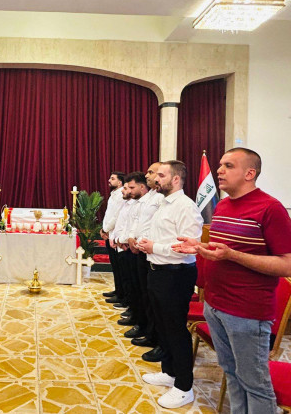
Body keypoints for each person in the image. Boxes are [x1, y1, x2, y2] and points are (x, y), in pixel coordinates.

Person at [174, 148, 291, 413]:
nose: (219, 170)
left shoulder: (270, 208)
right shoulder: (223, 205)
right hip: (215, 305)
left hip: (247, 312)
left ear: (249, 173)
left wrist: (233, 255)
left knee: (255, 384)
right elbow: (224, 251)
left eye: (228, 166)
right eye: (220, 165)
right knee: (231, 373)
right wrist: (200, 248)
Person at [138, 160, 203, 409]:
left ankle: (184, 387)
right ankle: (169, 371)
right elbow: (162, 236)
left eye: (162, 175)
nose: (156, 179)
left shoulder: (186, 206)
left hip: (176, 275)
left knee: (175, 329)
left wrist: (155, 247)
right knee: (162, 326)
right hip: (158, 271)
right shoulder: (163, 203)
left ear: (176, 179)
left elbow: (188, 247)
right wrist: (148, 243)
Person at [125, 162, 164, 363]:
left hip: (153, 251)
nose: (147, 175)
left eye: (151, 172)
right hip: (141, 248)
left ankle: (154, 336)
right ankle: (147, 329)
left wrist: (141, 241)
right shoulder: (148, 198)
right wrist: (132, 237)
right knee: (143, 292)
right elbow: (138, 222)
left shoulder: (161, 199)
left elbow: (155, 227)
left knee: (151, 298)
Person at [110, 174, 140, 311]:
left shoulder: (135, 205)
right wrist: (114, 237)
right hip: (120, 241)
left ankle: (129, 303)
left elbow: (131, 225)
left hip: (128, 245)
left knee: (130, 279)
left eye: (128, 188)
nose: (123, 190)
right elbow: (120, 223)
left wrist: (122, 240)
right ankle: (124, 298)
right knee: (123, 274)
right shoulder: (126, 204)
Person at [100, 171, 126, 303]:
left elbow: (116, 216)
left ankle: (121, 293)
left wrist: (106, 229)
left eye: (112, 178)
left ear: (120, 182)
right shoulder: (114, 194)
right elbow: (109, 214)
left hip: (115, 234)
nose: (109, 180)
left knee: (119, 266)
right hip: (109, 233)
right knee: (115, 266)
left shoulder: (121, 195)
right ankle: (118, 289)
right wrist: (104, 229)